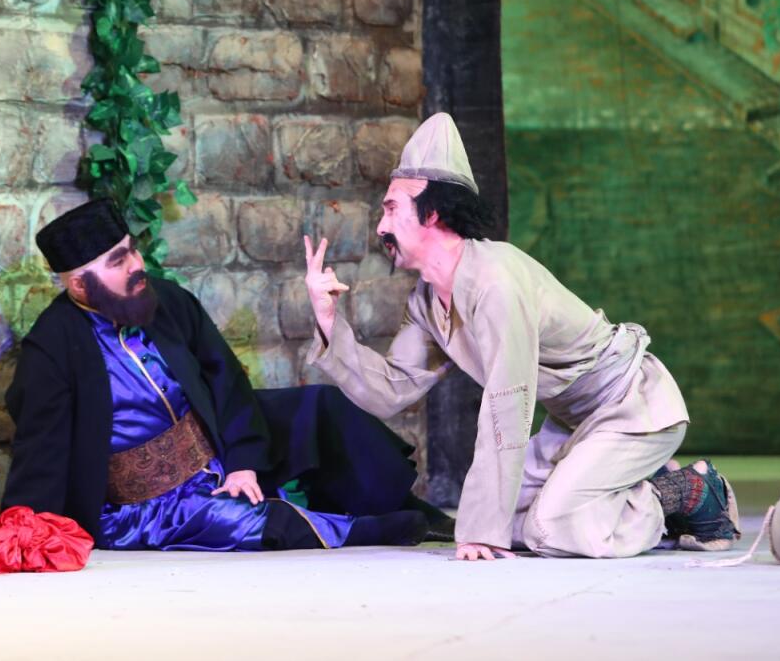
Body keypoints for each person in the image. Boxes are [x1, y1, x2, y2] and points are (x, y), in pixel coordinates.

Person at [302, 113, 740, 561]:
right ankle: (622, 483)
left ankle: (682, 493)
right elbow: (392, 389)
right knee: (511, 525)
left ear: (431, 213)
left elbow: (507, 402)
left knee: (549, 529)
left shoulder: (496, 281)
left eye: (392, 209)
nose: (381, 226)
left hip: (631, 408)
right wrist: (329, 321)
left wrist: (482, 535)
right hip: (571, 425)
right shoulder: (427, 299)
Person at [0, 197, 444, 552]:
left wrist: (242, 463)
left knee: (321, 407)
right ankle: (358, 531)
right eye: (119, 261)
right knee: (244, 522)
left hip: (216, 448)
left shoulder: (166, 301)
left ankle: (398, 503)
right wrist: (26, 526)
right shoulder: (51, 349)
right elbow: (42, 448)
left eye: (132, 249)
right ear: (79, 285)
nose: (137, 264)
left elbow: (225, 380)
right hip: (148, 504)